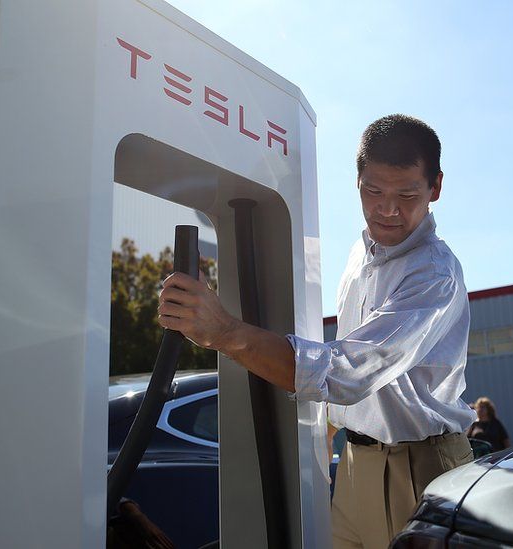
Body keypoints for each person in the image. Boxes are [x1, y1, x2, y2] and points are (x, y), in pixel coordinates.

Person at [157, 114, 476, 548]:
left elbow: (350, 370)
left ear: (435, 188)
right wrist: (325, 434)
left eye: (407, 194)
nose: (387, 209)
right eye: (373, 191)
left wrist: (225, 331)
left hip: (418, 466)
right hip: (353, 461)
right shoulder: (359, 256)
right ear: (357, 180)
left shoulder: (433, 273)